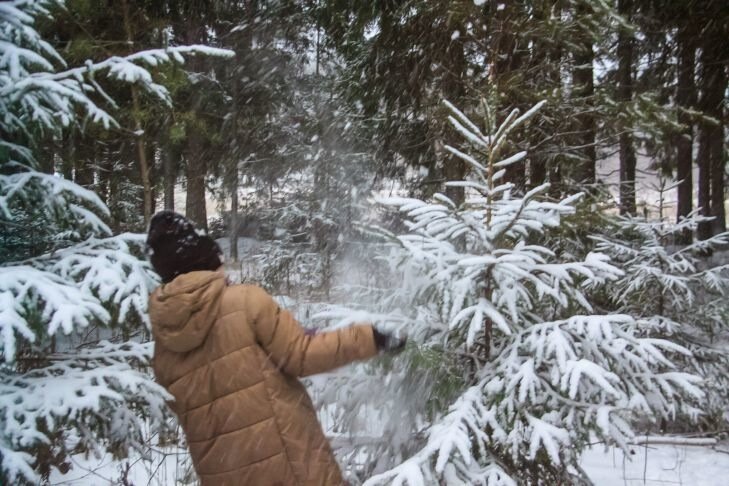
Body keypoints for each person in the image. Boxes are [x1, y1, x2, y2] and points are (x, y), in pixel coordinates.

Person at [146, 211, 405, 486]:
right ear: (207, 260)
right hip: (287, 466)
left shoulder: (164, 346)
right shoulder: (244, 301)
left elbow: (200, 400)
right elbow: (301, 355)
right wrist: (368, 338)